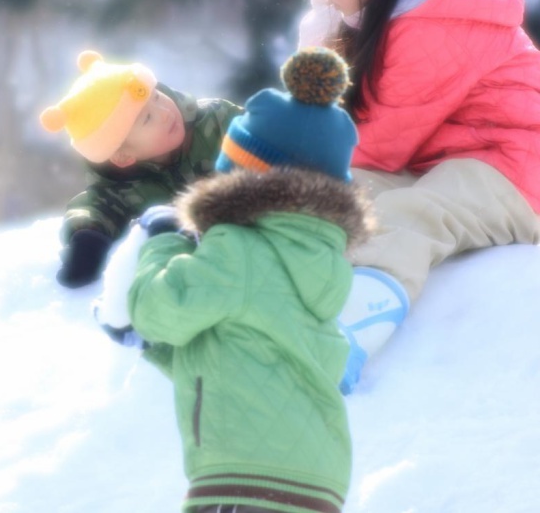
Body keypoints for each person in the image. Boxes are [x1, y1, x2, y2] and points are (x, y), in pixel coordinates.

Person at [298, 0, 540, 392]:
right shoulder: (388, 6)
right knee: (347, 188)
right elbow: (366, 148)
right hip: (446, 149)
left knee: (415, 214)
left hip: (512, 167)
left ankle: (348, 332)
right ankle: (279, 269)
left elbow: (378, 144)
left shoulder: (429, 28)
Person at [95, 48, 370, 513]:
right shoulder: (322, 271)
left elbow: (162, 311)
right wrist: (149, 347)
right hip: (318, 482)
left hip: (243, 478)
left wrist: (164, 240)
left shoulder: (238, 251)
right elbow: (233, 356)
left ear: (241, 182)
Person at [40, 50, 241, 288]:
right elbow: (94, 206)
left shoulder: (218, 122)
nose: (165, 113)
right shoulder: (122, 184)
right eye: (147, 118)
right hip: (206, 266)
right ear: (123, 155)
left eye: (156, 97)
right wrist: (88, 239)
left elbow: (271, 139)